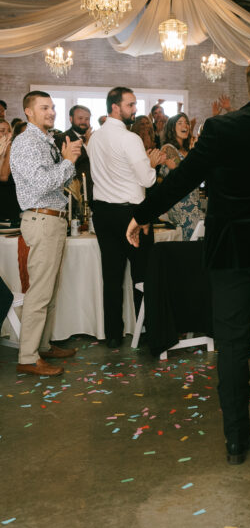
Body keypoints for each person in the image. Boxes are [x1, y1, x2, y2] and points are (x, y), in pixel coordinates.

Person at [126, 54, 250, 469]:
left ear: (248, 90)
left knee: (233, 347)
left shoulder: (219, 128)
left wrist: (142, 214)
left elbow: (181, 181)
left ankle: (236, 441)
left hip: (232, 253)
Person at [10, 91, 82, 376]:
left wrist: (67, 161)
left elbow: (57, 181)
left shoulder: (44, 141)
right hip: (42, 219)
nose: (51, 112)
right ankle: (28, 357)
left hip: (54, 219)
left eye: (52, 107)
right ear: (29, 112)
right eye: (44, 108)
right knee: (39, 292)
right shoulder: (27, 142)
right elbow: (41, 184)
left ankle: (42, 344)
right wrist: (67, 161)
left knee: (50, 290)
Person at [87, 87, 165, 348]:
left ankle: (113, 335)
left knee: (111, 276)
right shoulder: (130, 139)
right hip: (132, 214)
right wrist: (151, 166)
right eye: (130, 105)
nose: (134, 110)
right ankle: (145, 332)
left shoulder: (94, 138)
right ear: (114, 107)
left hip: (103, 213)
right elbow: (146, 179)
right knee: (142, 274)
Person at [158, 113, 206, 240]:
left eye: (186, 123)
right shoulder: (167, 148)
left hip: (196, 203)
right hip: (180, 204)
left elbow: (201, 176)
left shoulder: (189, 150)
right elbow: (183, 174)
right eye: (180, 123)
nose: (185, 125)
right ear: (172, 128)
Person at [64, 104, 93, 204]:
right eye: (80, 118)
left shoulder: (94, 139)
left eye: (87, 119)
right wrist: (85, 144)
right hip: (73, 194)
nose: (84, 122)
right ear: (71, 119)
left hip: (93, 193)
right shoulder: (63, 138)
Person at [0, 118, 21, 224]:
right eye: (2, 131)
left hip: (9, 200)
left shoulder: (12, 149)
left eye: (9, 131)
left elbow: (4, 176)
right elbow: (3, 176)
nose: (7, 134)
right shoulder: (6, 149)